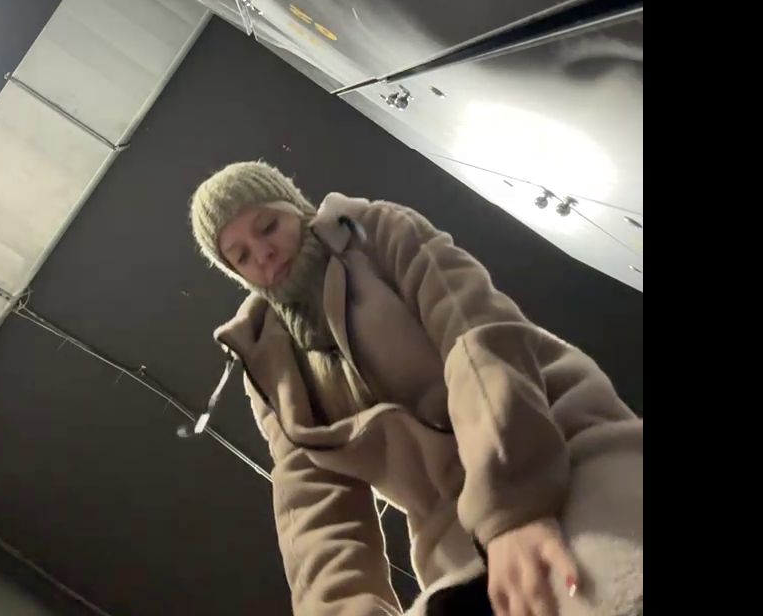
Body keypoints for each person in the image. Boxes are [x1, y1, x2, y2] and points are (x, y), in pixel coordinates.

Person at [188, 161, 643, 616]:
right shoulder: (268, 363)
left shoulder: (377, 232)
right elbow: (314, 505)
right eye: (241, 255)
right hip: (455, 539)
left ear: (296, 208)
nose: (263, 253)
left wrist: (513, 507)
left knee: (609, 597)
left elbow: (477, 339)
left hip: (555, 447)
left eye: (268, 226)